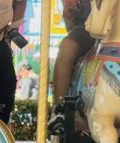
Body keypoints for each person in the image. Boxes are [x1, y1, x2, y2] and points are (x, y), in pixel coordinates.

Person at [48, 0, 95, 131]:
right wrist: (71, 8)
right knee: (67, 47)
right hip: (88, 29)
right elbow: (70, 16)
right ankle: (60, 108)